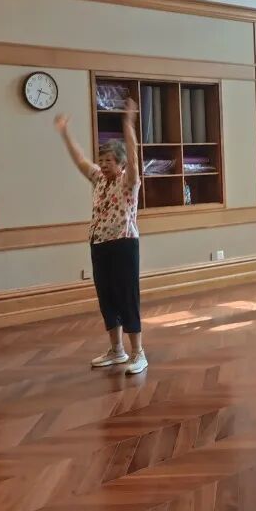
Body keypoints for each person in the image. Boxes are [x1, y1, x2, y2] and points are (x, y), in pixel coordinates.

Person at [56, 98, 147, 375]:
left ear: (120, 163)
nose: (104, 164)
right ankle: (117, 350)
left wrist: (128, 124)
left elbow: (133, 157)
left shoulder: (128, 181)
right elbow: (79, 160)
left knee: (127, 297)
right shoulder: (98, 179)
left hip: (124, 244)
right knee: (107, 298)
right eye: (102, 160)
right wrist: (65, 133)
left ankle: (138, 353)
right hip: (99, 244)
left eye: (109, 161)